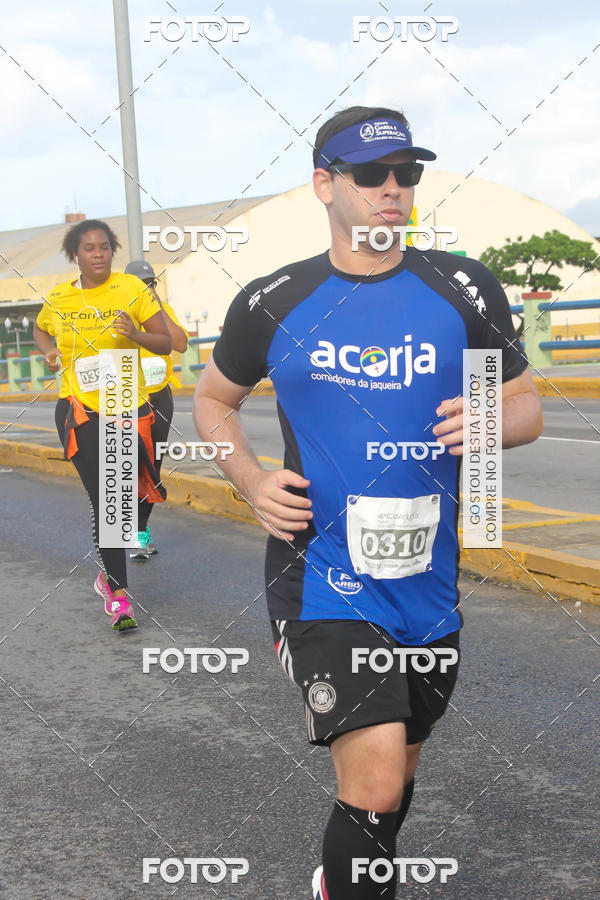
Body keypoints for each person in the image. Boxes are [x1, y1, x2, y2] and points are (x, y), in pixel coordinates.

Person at [193, 106, 543, 898]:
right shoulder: (275, 299)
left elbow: (526, 405)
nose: (393, 189)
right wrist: (250, 480)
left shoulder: (462, 287)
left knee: (396, 774)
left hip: (427, 582)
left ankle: (344, 878)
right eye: (371, 174)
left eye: (406, 173)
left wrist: (493, 420)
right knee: (378, 776)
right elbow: (213, 401)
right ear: (325, 184)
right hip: (321, 577)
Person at [34, 220, 172, 630]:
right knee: (107, 497)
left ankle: (107, 575)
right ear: (75, 255)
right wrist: (49, 353)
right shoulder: (60, 296)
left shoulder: (131, 290)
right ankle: (119, 595)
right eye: (89, 248)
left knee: (122, 499)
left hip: (121, 397)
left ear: (112, 251)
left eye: (104, 247)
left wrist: (136, 334)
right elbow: (40, 329)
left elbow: (166, 341)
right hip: (76, 407)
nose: (98, 253)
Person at [123, 260, 188, 559]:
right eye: (140, 284)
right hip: (127, 399)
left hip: (159, 397)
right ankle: (121, 534)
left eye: (150, 283)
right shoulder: (119, 315)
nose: (146, 288)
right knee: (126, 466)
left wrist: (158, 308)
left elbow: (181, 344)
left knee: (151, 466)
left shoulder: (162, 312)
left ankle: (140, 532)